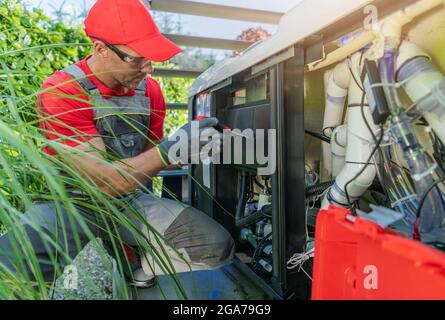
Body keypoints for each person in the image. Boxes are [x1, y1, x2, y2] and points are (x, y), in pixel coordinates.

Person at [0, 0, 234, 288]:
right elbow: (103, 182)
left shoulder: (150, 91)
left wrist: (183, 151)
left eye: (151, 58)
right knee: (10, 274)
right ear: (100, 49)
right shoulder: (63, 91)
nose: (149, 69)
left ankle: (136, 261)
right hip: (71, 204)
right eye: (137, 59)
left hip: (129, 202)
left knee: (215, 245)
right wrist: (167, 151)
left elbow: (150, 156)